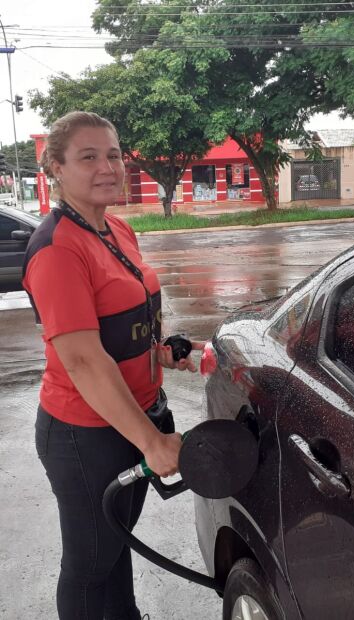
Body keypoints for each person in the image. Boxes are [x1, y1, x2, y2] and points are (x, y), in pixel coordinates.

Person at [22, 111, 203, 620]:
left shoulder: (116, 228)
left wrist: (161, 349)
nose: (108, 167)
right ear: (55, 168)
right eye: (88, 157)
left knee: (116, 544)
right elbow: (80, 358)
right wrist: (151, 441)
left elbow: (123, 322)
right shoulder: (58, 249)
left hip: (136, 416)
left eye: (114, 154)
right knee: (89, 565)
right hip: (86, 435)